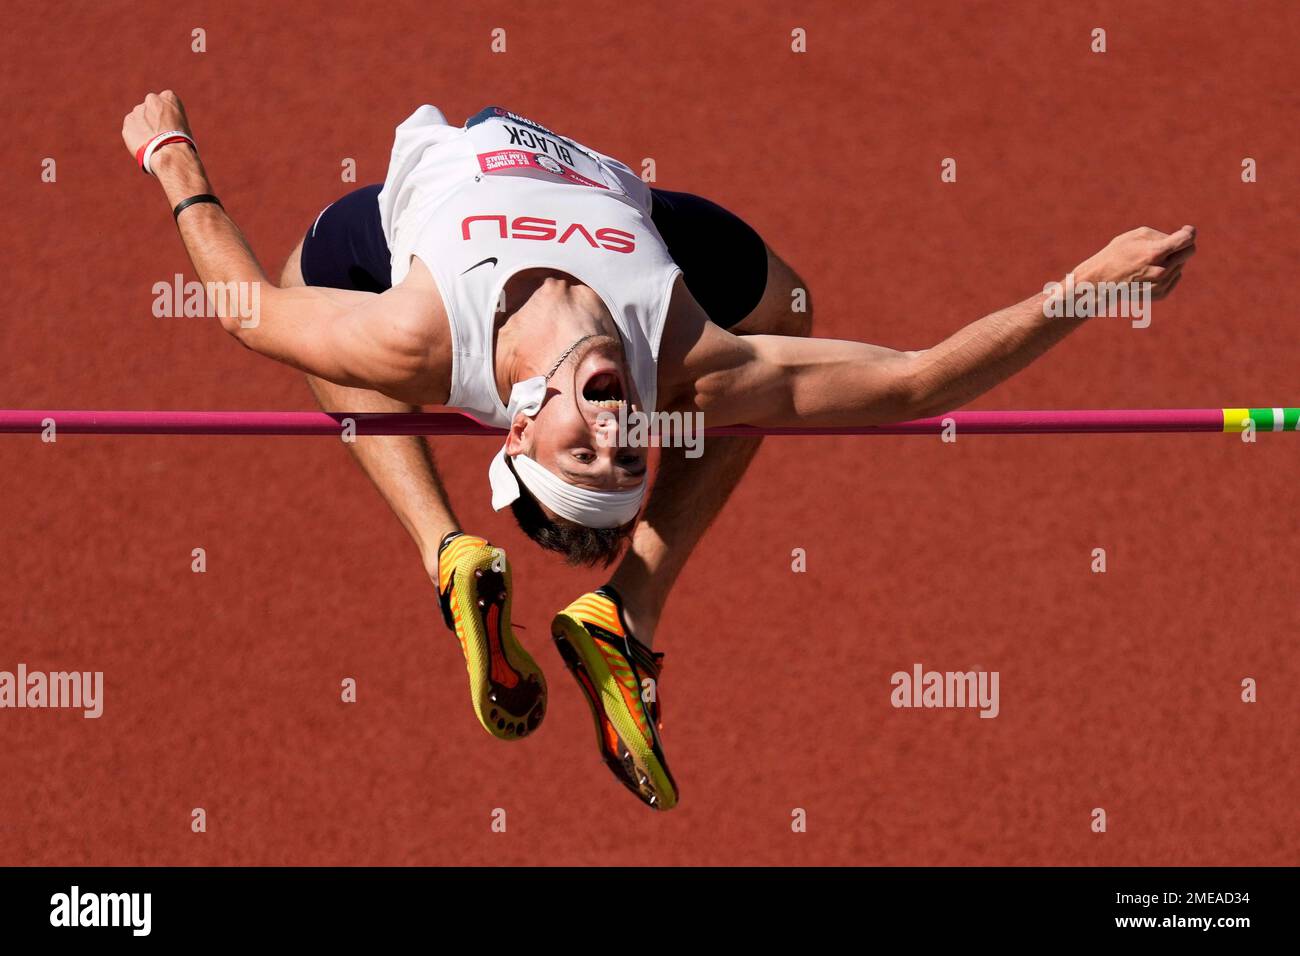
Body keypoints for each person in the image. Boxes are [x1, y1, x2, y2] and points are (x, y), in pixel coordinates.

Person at [122, 91, 1196, 810]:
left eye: (582, 452)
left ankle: (445, 546)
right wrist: (1084, 290)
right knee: (792, 304)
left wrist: (174, 159)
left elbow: (247, 310)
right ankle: (625, 608)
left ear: (520, 425)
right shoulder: (690, 359)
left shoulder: (418, 331)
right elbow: (918, 380)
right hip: (618, 204)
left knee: (318, 301)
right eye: (627, 454)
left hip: (431, 208)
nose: (616, 432)